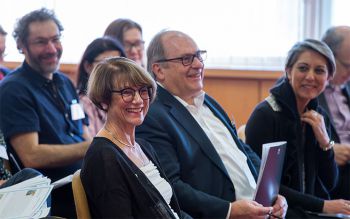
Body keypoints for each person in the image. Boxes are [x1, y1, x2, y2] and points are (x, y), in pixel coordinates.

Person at [135, 30, 287, 219]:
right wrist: (230, 211)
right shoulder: (152, 116)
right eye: (186, 59)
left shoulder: (208, 102)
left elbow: (243, 151)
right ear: (159, 70)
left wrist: (273, 196)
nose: (198, 64)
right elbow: (170, 187)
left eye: (199, 56)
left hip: (260, 210)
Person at [0, 8, 91, 217]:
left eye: (55, 39)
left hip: (87, 180)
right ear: (22, 46)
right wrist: (94, 146)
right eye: (41, 42)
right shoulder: (14, 89)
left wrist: (97, 149)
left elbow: (85, 135)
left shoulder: (65, 82)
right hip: (57, 195)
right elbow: (32, 156)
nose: (51, 49)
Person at [245, 39, 350, 216]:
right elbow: (263, 185)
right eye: (303, 68)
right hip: (275, 210)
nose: (310, 76)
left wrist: (326, 142)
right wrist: (321, 205)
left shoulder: (319, 115)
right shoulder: (265, 114)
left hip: (308, 208)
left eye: (319, 70)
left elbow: (331, 182)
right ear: (288, 71)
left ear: (328, 77)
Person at [80, 57, 189, 218]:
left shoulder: (143, 146)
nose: (138, 100)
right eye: (127, 92)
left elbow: (171, 209)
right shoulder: (103, 157)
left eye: (143, 90)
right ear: (104, 100)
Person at [320, 26, 350, 200]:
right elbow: (294, 138)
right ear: (328, 56)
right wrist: (330, 147)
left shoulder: (347, 85)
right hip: (333, 171)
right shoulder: (307, 86)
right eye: (347, 66)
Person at [77, 36, 126, 136]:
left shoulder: (131, 100)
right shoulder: (83, 104)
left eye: (119, 64)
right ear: (88, 66)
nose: (114, 70)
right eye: (105, 64)